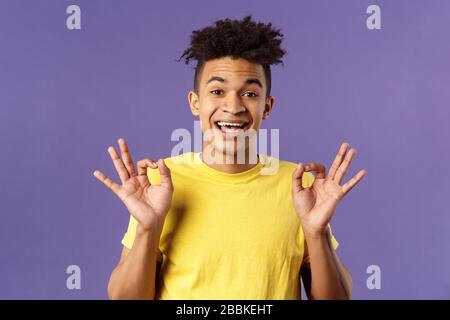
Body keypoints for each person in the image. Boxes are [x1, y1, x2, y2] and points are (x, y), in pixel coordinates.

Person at [93, 15, 366, 300]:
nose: (233, 106)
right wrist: (148, 228)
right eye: (217, 91)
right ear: (195, 102)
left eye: (249, 93)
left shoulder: (300, 188)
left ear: (267, 106)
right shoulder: (158, 185)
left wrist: (316, 232)